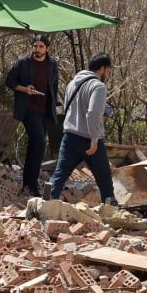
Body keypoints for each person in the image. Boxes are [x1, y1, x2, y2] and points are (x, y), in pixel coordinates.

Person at [43, 53, 116, 204]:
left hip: (69, 137)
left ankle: (45, 204)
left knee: (59, 175)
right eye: (108, 70)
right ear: (102, 69)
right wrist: (94, 139)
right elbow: (92, 113)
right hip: (89, 139)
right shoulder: (98, 86)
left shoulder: (72, 83)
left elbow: (69, 108)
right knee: (104, 178)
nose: (107, 74)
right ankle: (110, 209)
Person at [5, 34, 59, 197]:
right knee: (40, 143)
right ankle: (32, 185)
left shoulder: (52, 65)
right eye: (35, 46)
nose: (37, 49)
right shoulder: (23, 63)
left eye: (41, 46)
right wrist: (25, 89)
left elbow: (54, 86)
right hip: (28, 109)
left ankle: (27, 184)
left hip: (44, 111)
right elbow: (9, 81)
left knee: (35, 145)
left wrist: (54, 105)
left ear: (47, 48)